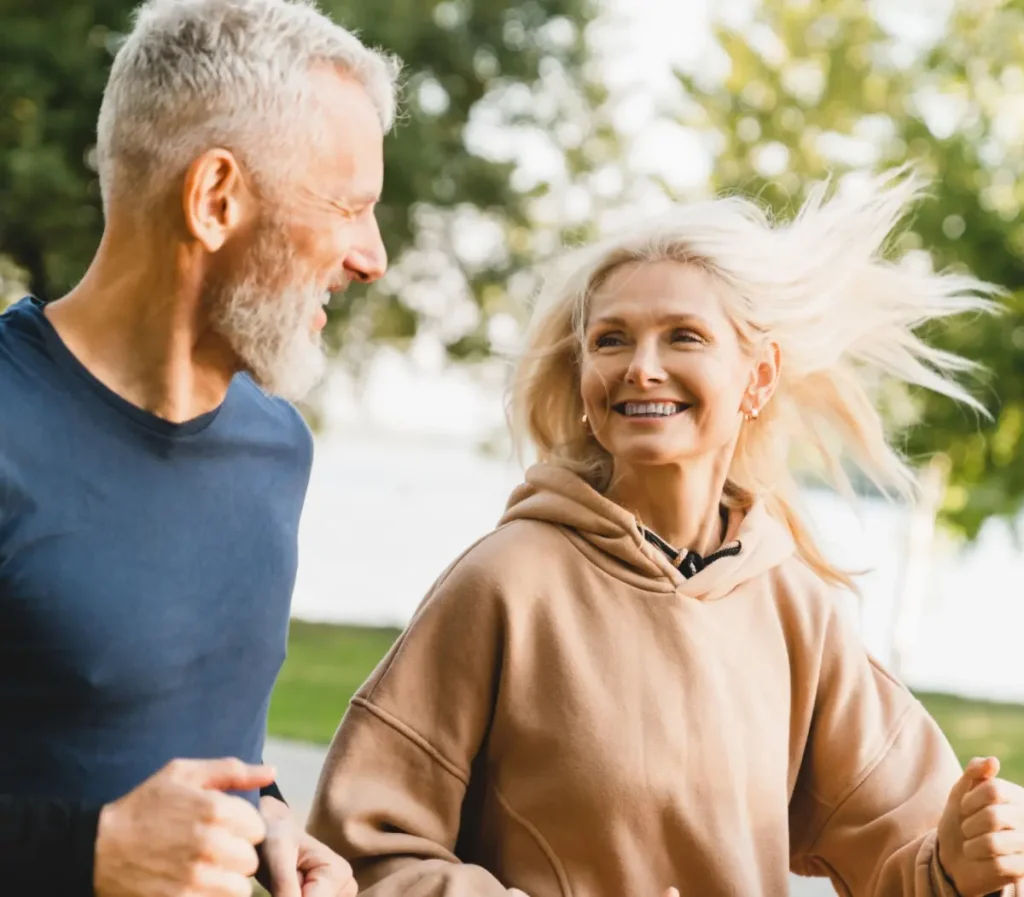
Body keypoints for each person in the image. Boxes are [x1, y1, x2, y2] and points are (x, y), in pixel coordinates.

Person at [306, 170, 1024, 897]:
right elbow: (357, 853)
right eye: (612, 339)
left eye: (683, 336)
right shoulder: (505, 582)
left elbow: (905, 854)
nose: (642, 368)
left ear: (759, 374)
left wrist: (959, 862)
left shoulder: (793, 604)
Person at [0, 0, 398, 894]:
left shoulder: (276, 447)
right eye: (350, 206)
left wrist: (269, 819)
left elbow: (187, 738)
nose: (372, 255)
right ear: (216, 198)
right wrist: (89, 852)